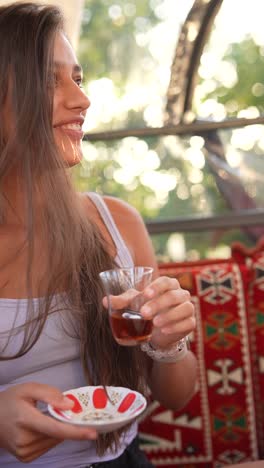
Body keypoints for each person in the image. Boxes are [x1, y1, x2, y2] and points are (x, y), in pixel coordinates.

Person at [0, 2, 197, 467]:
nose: (82, 100)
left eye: (78, 78)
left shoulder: (117, 224)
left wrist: (169, 344)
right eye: (50, 80)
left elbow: (179, 394)